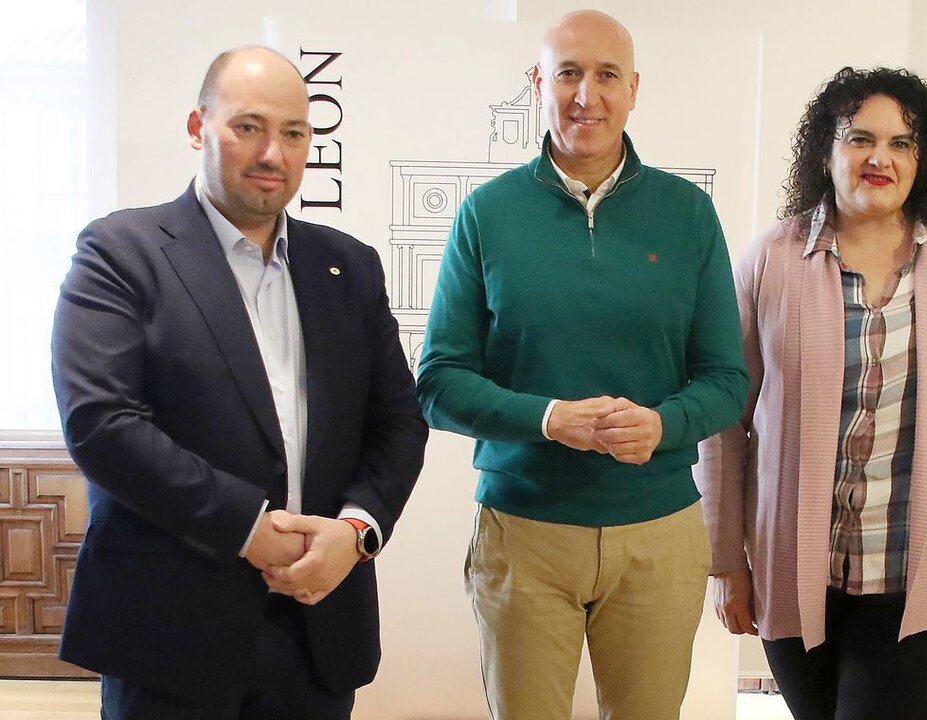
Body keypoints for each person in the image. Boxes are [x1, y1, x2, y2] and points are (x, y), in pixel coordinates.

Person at [51, 46, 427, 719]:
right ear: (198, 128)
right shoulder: (120, 252)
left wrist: (356, 529)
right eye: (247, 127)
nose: (273, 155)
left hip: (317, 629)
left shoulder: (349, 267)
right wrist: (245, 526)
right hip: (170, 633)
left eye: (293, 133)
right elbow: (101, 424)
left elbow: (399, 420)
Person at [695, 66, 927, 719]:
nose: (879, 158)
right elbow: (724, 416)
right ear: (825, 149)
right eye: (860, 138)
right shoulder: (770, 259)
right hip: (797, 574)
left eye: (902, 143)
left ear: (925, 159)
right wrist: (726, 563)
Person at [415, 9, 747, 720]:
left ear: (634, 89)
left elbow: (727, 380)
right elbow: (439, 382)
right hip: (523, 532)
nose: (584, 95)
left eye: (605, 75)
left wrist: (663, 424)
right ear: (539, 82)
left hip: (658, 533)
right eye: (567, 72)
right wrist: (547, 418)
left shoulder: (688, 215)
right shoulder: (487, 214)